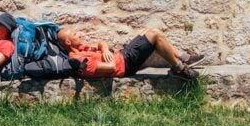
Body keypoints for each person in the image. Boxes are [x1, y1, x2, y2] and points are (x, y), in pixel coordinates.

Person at [57, 27, 204, 80]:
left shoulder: (83, 48)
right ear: (69, 42)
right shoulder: (80, 61)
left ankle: (184, 58)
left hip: (123, 55)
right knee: (155, 35)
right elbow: (111, 68)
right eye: (75, 34)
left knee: (147, 31)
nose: (79, 34)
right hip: (126, 65)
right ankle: (179, 68)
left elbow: (101, 43)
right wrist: (110, 56)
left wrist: (105, 50)